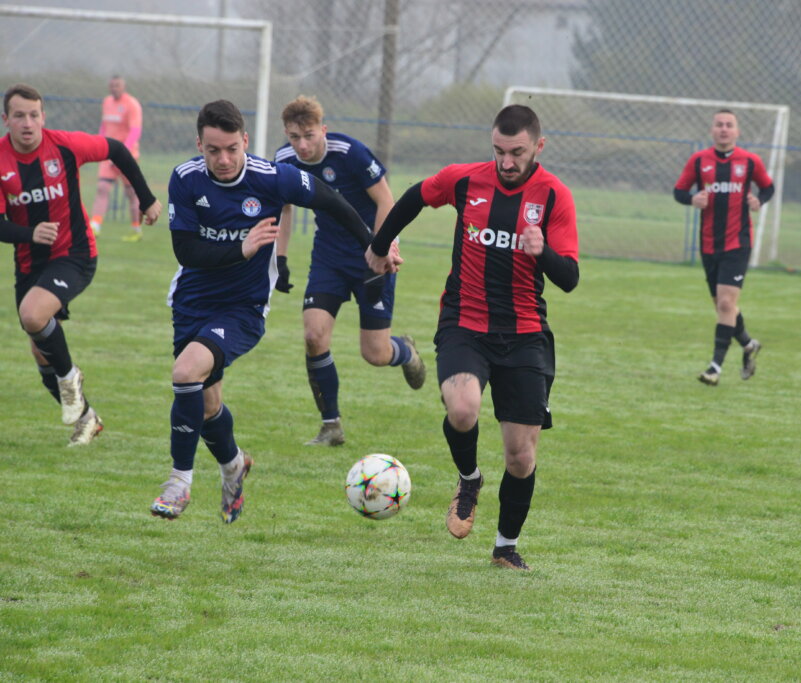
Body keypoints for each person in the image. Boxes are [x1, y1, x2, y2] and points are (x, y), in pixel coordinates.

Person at [366, 104, 580, 570]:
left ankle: (505, 547)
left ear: (538, 147)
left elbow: (570, 279)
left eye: (517, 152)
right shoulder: (465, 180)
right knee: (462, 409)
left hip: (525, 335)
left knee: (521, 456)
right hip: (465, 322)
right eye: (499, 151)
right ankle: (469, 478)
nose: (506, 162)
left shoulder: (555, 196)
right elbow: (415, 197)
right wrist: (379, 246)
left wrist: (542, 252)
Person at [152, 99, 379, 523]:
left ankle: (179, 482)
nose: (223, 159)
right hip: (191, 303)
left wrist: (372, 243)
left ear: (245, 141)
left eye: (231, 149)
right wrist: (241, 247)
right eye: (213, 150)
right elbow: (185, 249)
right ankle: (234, 464)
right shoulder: (185, 179)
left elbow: (331, 200)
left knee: (186, 372)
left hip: (243, 307)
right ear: (199, 144)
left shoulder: (272, 177)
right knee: (204, 402)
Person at [0, 83, 161, 446]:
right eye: (19, 115)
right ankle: (87, 417)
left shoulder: (63, 145)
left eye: (34, 115)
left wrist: (147, 199)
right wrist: (29, 233)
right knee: (39, 349)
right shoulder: (1, 160)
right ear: (6, 119)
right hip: (29, 263)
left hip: (74, 254)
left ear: (44, 117)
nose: (28, 123)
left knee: (32, 315)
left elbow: (117, 149)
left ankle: (71, 377)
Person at [274, 95, 424, 448]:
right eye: (294, 137)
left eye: (309, 135)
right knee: (313, 336)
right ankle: (331, 427)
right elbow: (282, 210)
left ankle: (405, 351)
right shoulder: (283, 160)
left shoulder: (350, 152)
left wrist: (382, 247)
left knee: (375, 353)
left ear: (323, 130)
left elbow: (387, 201)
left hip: (372, 255)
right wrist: (278, 259)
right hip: (328, 257)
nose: (302, 145)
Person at [673, 109, 774, 386]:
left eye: (729, 125)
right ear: (712, 130)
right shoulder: (698, 161)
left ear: (737, 131)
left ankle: (715, 368)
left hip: (738, 241)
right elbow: (679, 191)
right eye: (719, 124)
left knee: (727, 303)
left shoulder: (750, 162)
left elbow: (768, 188)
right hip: (708, 243)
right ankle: (748, 344)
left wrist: (758, 201)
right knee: (723, 306)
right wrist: (693, 200)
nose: (724, 129)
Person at [89, 75, 145, 241]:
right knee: (102, 188)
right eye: (112, 85)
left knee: (131, 193)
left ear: (124, 86)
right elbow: (104, 126)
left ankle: (136, 229)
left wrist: (122, 154)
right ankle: (95, 226)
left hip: (127, 156)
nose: (115, 88)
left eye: (118, 85)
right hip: (108, 154)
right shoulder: (106, 102)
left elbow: (135, 131)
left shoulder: (132, 104)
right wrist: (100, 144)